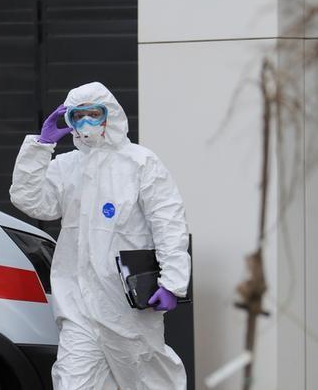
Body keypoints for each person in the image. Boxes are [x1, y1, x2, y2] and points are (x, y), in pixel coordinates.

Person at [10, 82, 190, 390]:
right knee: (73, 382)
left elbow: (168, 222)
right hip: (78, 304)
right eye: (78, 116)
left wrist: (172, 282)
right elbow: (31, 200)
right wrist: (41, 146)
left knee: (146, 381)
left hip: (127, 304)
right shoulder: (66, 166)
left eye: (94, 114)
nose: (86, 122)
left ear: (111, 115)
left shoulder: (140, 162)